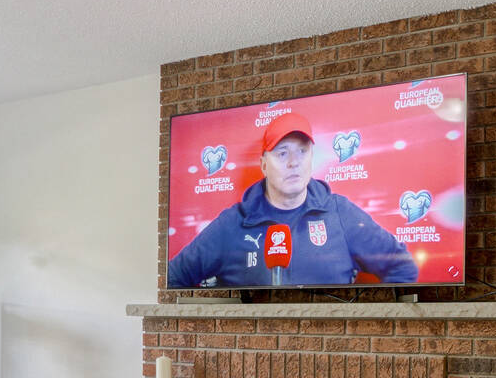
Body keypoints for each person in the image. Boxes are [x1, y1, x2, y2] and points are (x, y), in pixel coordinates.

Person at [168, 111, 419, 288]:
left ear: (311, 158)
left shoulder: (341, 213)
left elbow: (402, 267)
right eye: (282, 153)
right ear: (264, 165)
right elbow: (172, 278)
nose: (293, 162)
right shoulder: (232, 224)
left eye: (302, 151)